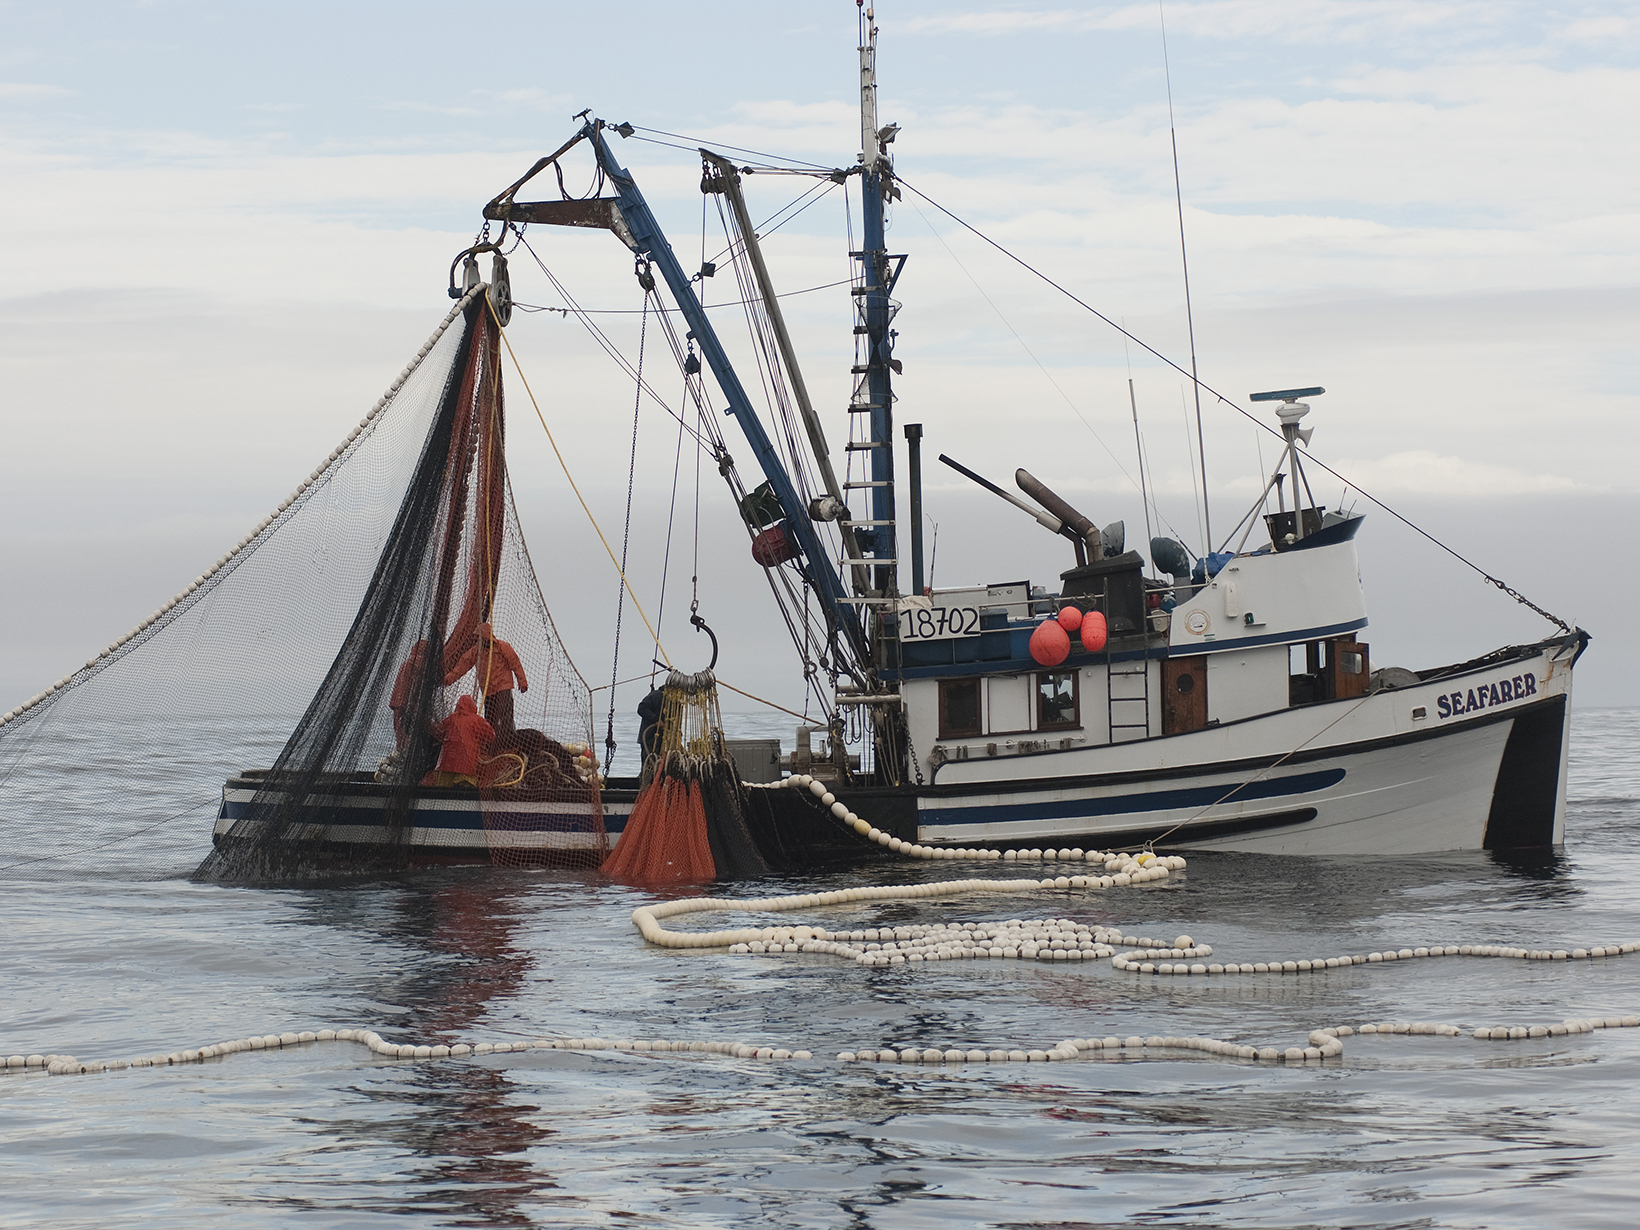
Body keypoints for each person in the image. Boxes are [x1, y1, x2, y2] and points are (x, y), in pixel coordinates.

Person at [444, 622, 528, 738]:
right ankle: (492, 743)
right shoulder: (475, 652)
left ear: (486, 636)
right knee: (490, 720)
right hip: (488, 691)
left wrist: (522, 682)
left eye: (480, 637)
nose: (479, 639)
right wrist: (448, 679)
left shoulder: (502, 646)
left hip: (503, 688)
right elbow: (462, 666)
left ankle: (508, 743)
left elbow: (515, 664)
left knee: (505, 719)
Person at [428, 694, 494, 788]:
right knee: (465, 790)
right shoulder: (477, 720)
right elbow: (491, 735)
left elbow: (440, 733)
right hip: (467, 765)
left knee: (442, 790)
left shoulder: (450, 718)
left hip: (445, 765)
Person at [388, 640, 428, 749]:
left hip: (397, 701)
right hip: (407, 703)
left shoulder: (408, 662)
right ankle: (405, 752)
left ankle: (401, 751)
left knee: (400, 732)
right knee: (407, 732)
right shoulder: (419, 663)